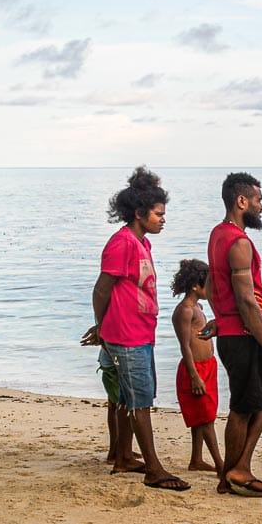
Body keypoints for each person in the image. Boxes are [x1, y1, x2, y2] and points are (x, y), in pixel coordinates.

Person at [88, 166, 189, 490]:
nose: (163, 219)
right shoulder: (122, 243)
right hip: (126, 336)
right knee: (140, 401)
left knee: (131, 398)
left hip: (140, 333)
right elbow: (102, 288)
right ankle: (154, 470)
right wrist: (101, 327)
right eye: (158, 214)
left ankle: (123, 456)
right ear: (139, 213)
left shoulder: (142, 243)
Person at [207, 172, 262, 498]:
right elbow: (246, 299)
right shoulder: (239, 243)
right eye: (258, 200)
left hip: (233, 330)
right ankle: (239, 469)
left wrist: (218, 317)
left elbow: (211, 284)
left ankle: (231, 473)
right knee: (243, 406)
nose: (261, 206)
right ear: (241, 201)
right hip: (243, 334)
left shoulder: (218, 234)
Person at [169, 259, 223, 474]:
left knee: (204, 415)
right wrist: (194, 376)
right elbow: (185, 346)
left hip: (208, 365)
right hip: (195, 369)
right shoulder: (185, 311)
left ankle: (197, 459)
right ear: (195, 286)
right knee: (206, 419)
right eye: (207, 284)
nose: (210, 289)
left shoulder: (198, 307)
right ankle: (221, 465)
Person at [79, 327, 136, 470]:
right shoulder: (110, 307)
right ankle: (116, 451)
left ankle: (120, 448)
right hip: (113, 356)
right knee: (121, 406)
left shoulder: (107, 307)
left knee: (117, 405)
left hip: (110, 356)